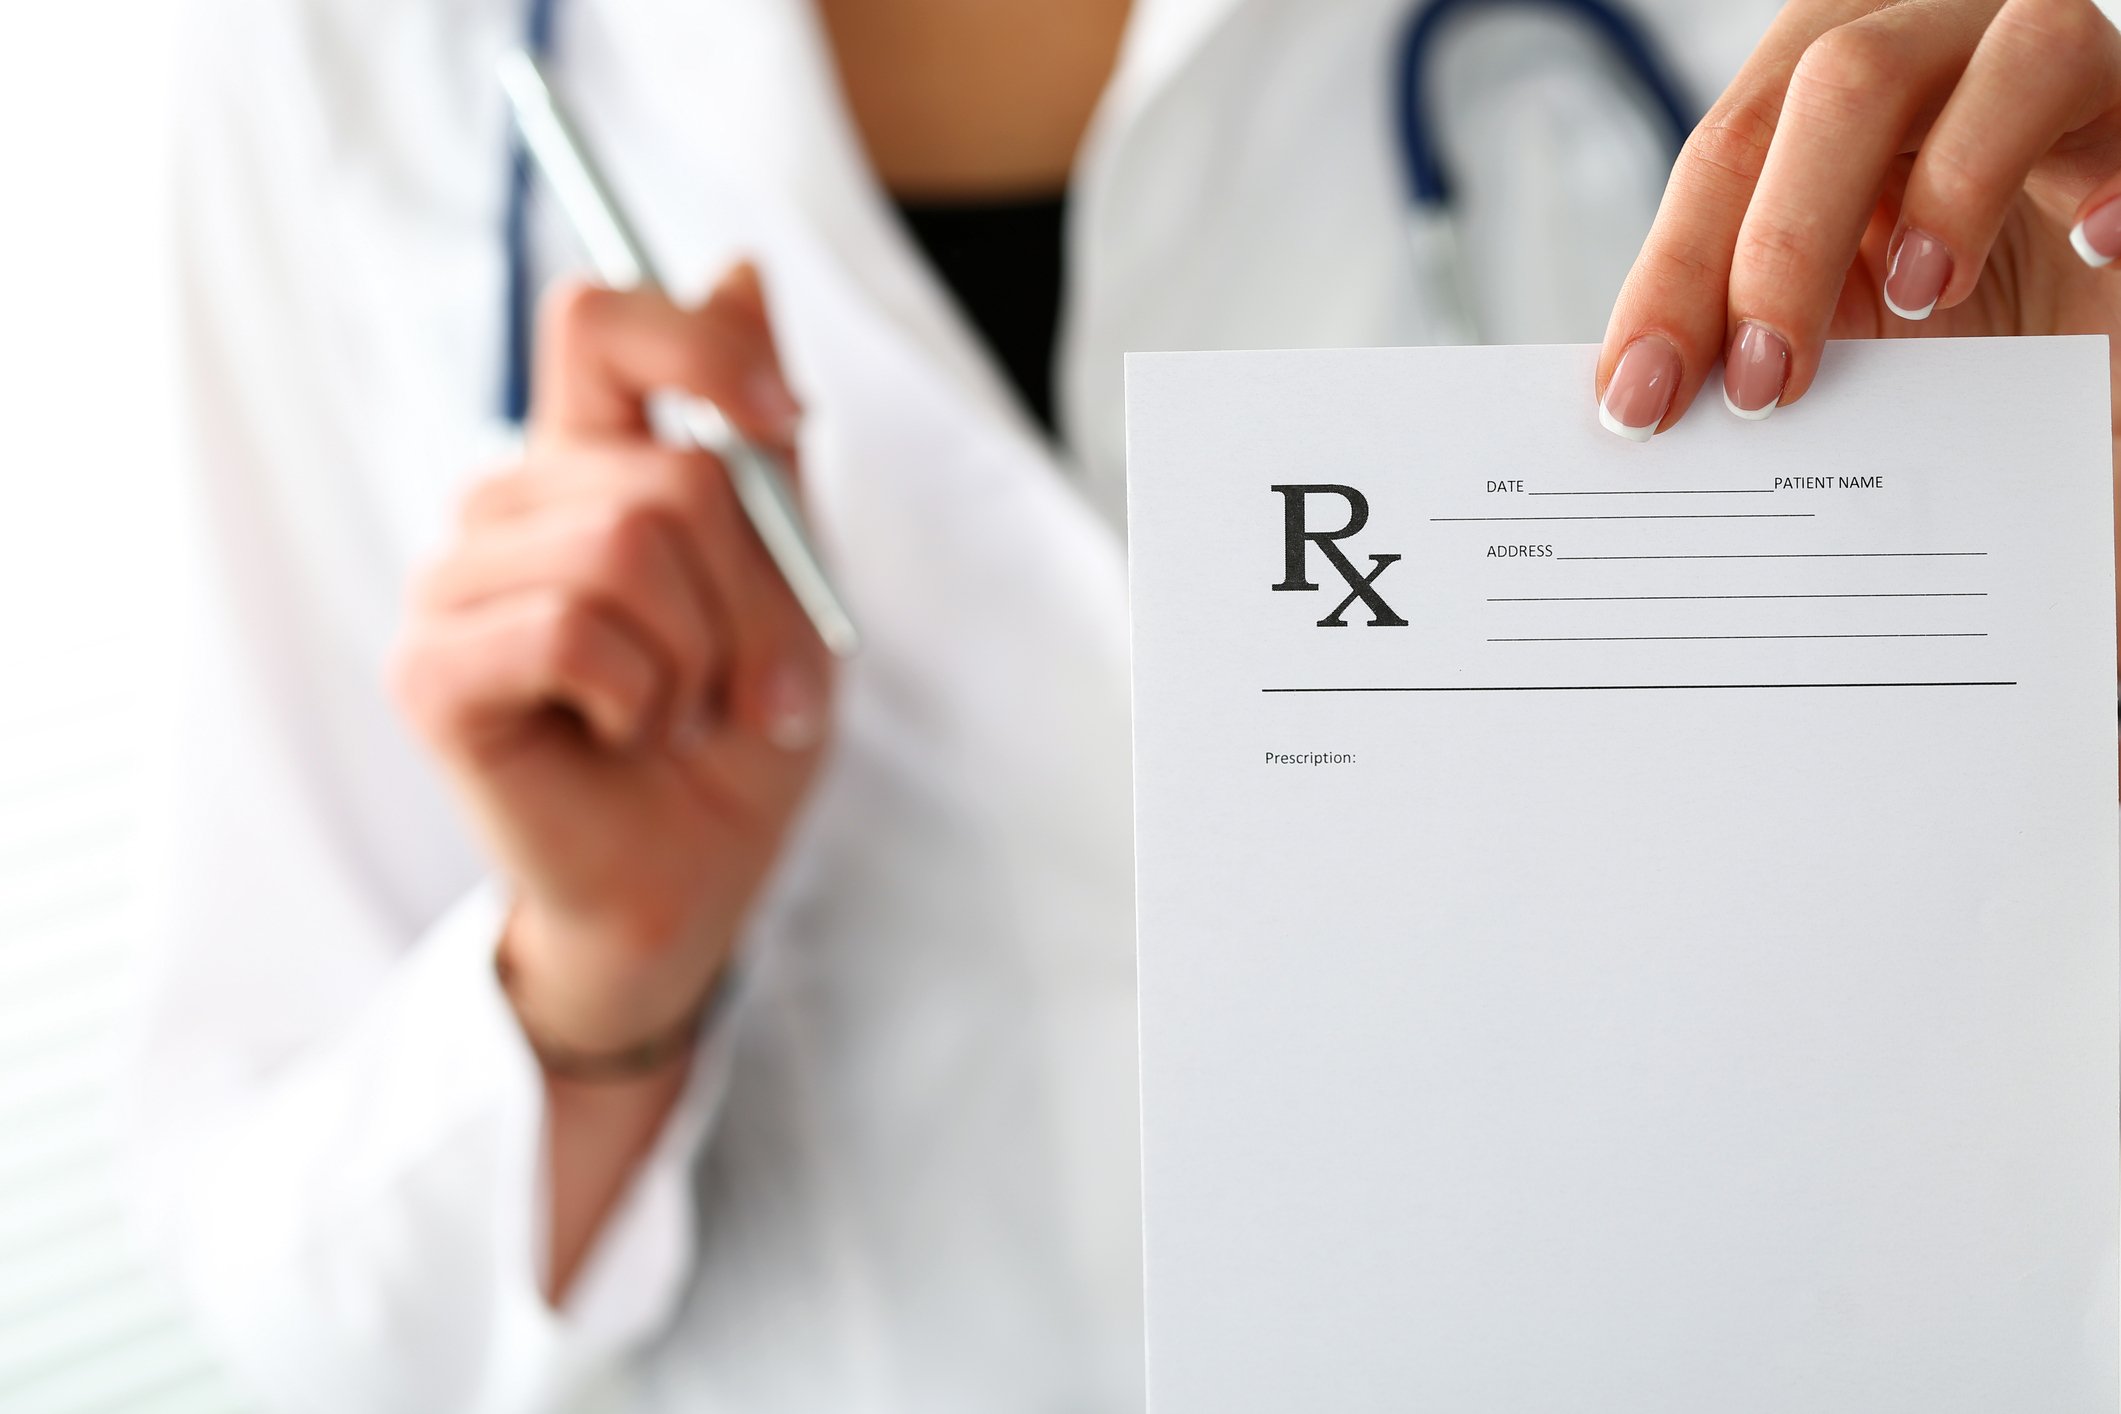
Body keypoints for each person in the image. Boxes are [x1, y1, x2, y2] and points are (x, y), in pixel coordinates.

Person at [128, 0, 2121, 1409]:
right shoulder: (337, 61)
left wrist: (2074, 559)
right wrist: (596, 979)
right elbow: (306, 1309)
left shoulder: (1892, 46)